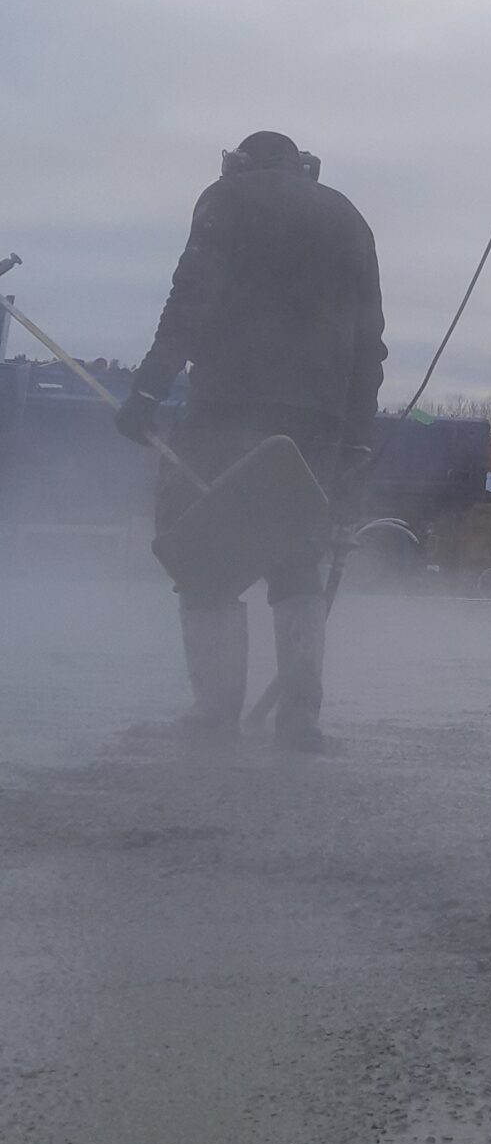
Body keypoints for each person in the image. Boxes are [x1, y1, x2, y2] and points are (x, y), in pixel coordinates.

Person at [116, 131, 386, 750]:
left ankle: (214, 715)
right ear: (304, 167)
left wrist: (149, 392)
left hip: (226, 410)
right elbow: (369, 342)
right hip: (318, 423)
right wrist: (356, 442)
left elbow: (190, 300)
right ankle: (301, 719)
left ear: (241, 163)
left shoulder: (226, 198)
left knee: (203, 555)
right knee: (297, 563)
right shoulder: (350, 217)